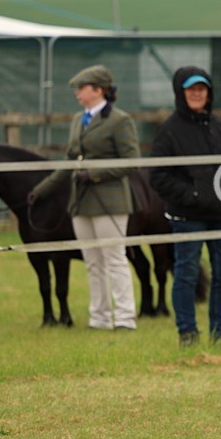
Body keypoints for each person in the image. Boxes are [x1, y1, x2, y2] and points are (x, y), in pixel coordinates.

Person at [28, 65, 140, 331]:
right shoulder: (79, 120)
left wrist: (95, 174)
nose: (78, 93)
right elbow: (69, 161)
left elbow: (132, 162)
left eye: (82, 88)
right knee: (92, 262)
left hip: (110, 202)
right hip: (81, 202)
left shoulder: (120, 120)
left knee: (114, 258)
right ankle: (99, 317)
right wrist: (41, 189)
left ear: (98, 90)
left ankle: (124, 317)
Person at [150, 66, 221, 348]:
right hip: (187, 216)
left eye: (202, 89)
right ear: (180, 92)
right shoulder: (169, 130)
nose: (197, 94)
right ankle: (187, 333)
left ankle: (220, 333)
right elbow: (158, 176)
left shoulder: (218, 126)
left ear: (209, 93)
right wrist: (193, 194)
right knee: (186, 274)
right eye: (191, 89)